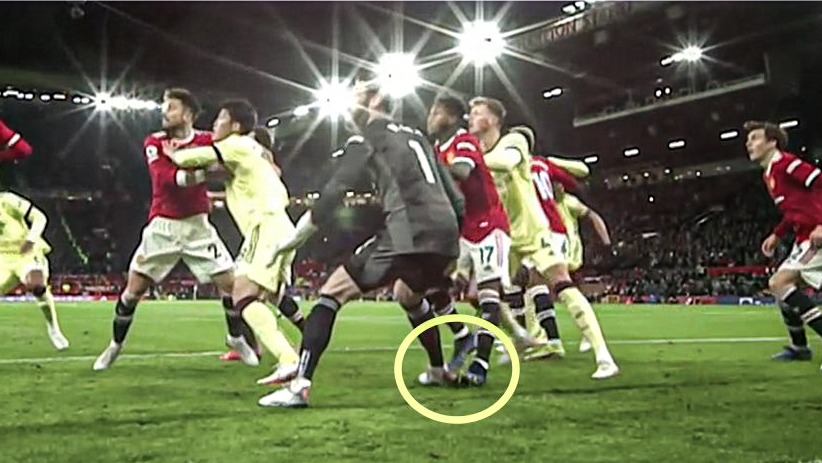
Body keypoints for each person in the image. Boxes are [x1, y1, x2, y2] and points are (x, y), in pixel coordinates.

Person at [258, 74, 462, 408]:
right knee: (408, 295)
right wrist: (454, 244)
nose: (349, 104)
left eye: (356, 95)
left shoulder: (367, 137)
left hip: (408, 231)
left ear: (376, 102)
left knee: (331, 293)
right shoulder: (418, 137)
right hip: (446, 231)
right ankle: (438, 369)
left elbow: (335, 191)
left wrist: (292, 240)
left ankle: (299, 386)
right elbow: (455, 198)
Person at [93, 88, 248, 371]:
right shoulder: (154, 142)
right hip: (162, 225)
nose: (164, 112)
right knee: (133, 291)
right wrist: (206, 172)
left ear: (188, 114)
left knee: (231, 285)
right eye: (165, 107)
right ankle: (115, 346)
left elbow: (232, 163)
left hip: (198, 226)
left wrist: (199, 168)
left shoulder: (206, 140)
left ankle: (235, 337)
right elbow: (166, 179)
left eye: (172, 107)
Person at [468, 96, 619, 379]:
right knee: (478, 294)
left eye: (476, 112)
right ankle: (521, 335)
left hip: (533, 231)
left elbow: (506, 163)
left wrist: (470, 163)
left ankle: (604, 357)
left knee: (562, 284)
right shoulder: (475, 152)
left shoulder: (514, 141)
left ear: (493, 119)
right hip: (503, 236)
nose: (470, 117)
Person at [171, 99, 302, 387]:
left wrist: (174, 152)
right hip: (280, 225)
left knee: (242, 296)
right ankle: (300, 349)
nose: (214, 124)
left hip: (264, 227)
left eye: (220, 118)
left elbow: (191, 159)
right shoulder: (250, 153)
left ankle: (288, 359)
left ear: (236, 125)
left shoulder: (236, 143)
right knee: (264, 298)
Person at [425, 94, 535, 385]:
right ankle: (466, 336)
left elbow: (461, 172)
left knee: (488, 295)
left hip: (489, 225)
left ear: (450, 116)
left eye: (435, 112)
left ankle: (480, 364)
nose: (429, 118)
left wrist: (426, 168)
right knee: (434, 285)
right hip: (462, 228)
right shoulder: (437, 149)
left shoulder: (464, 141)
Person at [745, 120, 822, 369]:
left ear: (772, 142)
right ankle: (800, 348)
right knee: (783, 293)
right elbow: (795, 210)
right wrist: (777, 234)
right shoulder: (769, 173)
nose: (749, 143)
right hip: (803, 238)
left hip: (816, 236)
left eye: (755, 138)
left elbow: (820, 181)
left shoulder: (786, 163)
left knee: (779, 283)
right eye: (748, 140)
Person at [0, 190, 68, 350]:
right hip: (3, 259)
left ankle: (53, 327)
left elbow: (39, 217)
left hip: (26, 253)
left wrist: (30, 240)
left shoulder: (7, 200)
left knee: (37, 284)